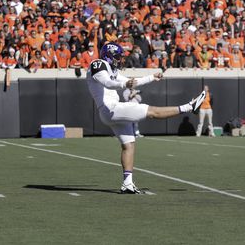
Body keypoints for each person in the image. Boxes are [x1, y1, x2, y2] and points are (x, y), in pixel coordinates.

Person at [87, 42, 206, 194]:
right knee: (152, 112)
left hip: (110, 111)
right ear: (109, 56)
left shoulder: (112, 69)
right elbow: (108, 83)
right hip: (110, 108)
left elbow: (132, 82)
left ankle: (127, 184)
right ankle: (189, 107)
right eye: (117, 57)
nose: (120, 60)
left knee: (128, 144)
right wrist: (125, 83)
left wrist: (152, 77)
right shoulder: (98, 64)